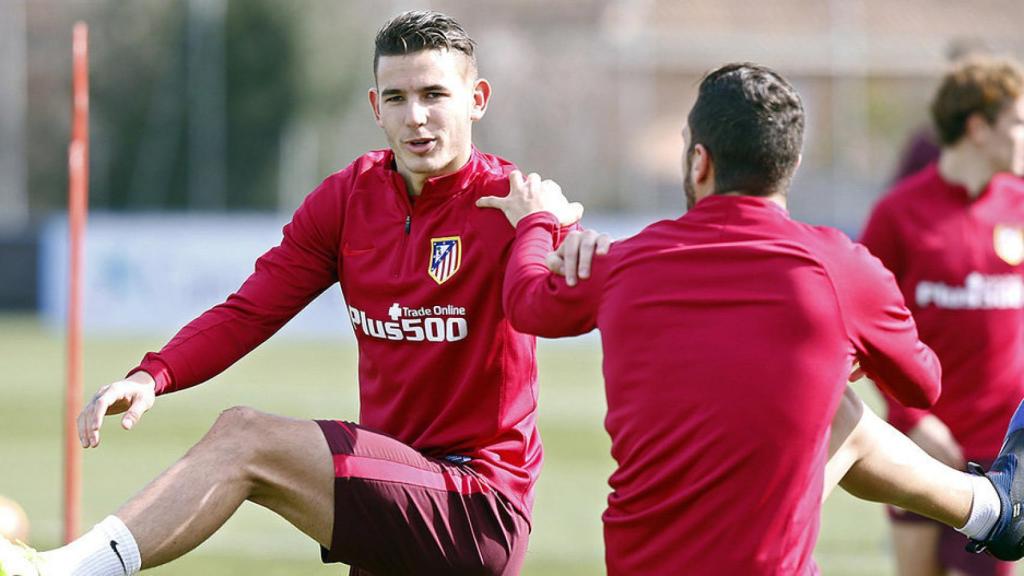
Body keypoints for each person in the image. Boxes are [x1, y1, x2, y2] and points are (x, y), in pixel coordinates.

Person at [0, 10, 582, 576]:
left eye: (434, 95)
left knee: (245, 436)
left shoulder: (515, 202)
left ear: (476, 99)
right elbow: (251, 309)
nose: (417, 118)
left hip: (476, 506)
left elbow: (583, 300)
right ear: (376, 107)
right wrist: (152, 375)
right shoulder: (348, 198)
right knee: (247, 438)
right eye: (398, 99)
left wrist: (546, 228)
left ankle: (65, 570)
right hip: (393, 491)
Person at [477, 62, 1024, 575]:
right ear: (790, 165)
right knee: (840, 412)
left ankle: (993, 509)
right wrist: (853, 350)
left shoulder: (623, 261)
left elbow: (526, 302)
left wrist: (539, 224)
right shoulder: (839, 266)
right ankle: (991, 508)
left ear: (699, 162)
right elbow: (922, 384)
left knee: (833, 413)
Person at [862, 55, 1024, 576]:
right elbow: (861, 329)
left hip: (1006, 458)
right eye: (1018, 122)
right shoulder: (899, 214)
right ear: (978, 128)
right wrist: (909, 417)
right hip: (917, 448)